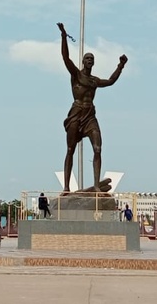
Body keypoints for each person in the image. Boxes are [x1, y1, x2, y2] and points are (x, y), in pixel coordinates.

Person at [58, 22, 128, 192]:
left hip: (90, 115)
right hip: (76, 113)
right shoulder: (76, 75)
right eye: (87, 58)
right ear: (83, 61)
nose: (90, 60)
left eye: (92, 59)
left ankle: (96, 185)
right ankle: (66, 187)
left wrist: (120, 66)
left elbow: (110, 81)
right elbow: (66, 58)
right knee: (70, 149)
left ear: (93, 63)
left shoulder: (94, 81)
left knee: (98, 148)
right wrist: (64, 36)